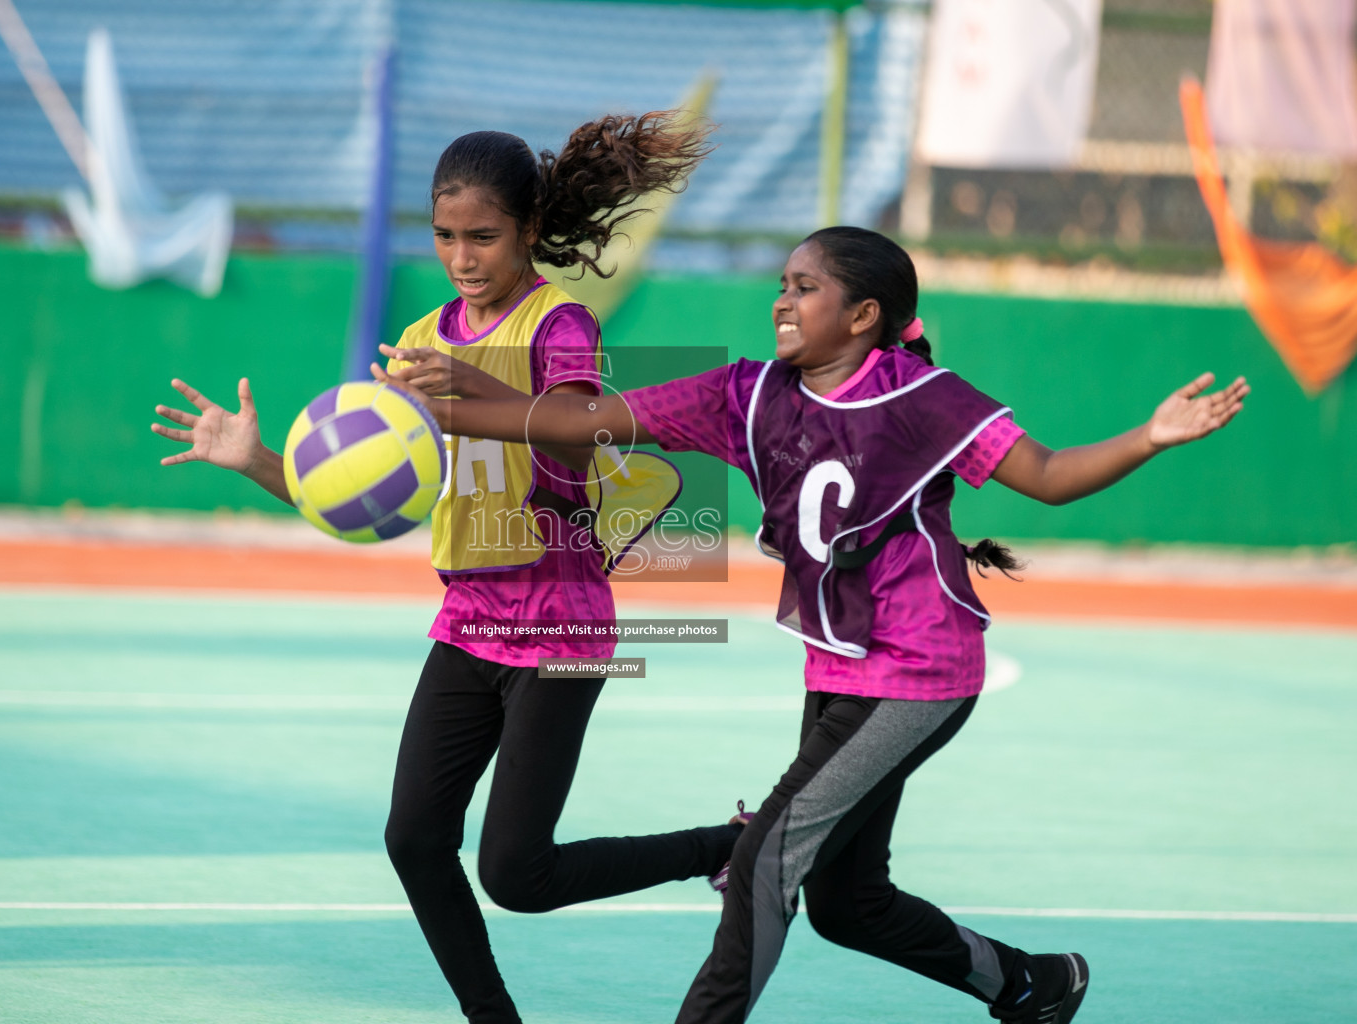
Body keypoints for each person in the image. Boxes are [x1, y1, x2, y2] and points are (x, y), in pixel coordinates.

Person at [376, 226, 1250, 1024]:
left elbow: (1049, 474)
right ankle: (1030, 983)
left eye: (804, 288)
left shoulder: (926, 400)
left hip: (919, 671)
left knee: (764, 865)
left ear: (864, 316)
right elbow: (580, 421)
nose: (782, 302)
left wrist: (1150, 436)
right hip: (839, 668)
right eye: (783, 285)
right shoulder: (743, 396)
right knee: (847, 903)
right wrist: (461, 402)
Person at [152, 113, 744, 1024]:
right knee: (415, 839)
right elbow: (369, 498)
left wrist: (470, 396)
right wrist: (264, 462)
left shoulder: (561, 323)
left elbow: (575, 434)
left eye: (484, 237)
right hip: (468, 623)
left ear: (529, 230)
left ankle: (725, 844)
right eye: (445, 237)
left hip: (560, 626)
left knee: (518, 873)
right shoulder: (425, 338)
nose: (462, 257)